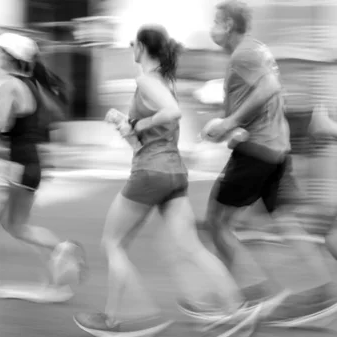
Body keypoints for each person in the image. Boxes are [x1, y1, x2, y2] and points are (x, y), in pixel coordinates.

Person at [73, 24, 284, 337]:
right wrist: (125, 126)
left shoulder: (146, 80)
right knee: (191, 248)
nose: (132, 47)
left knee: (113, 243)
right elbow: (143, 142)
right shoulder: (164, 82)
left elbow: (171, 114)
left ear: (143, 48)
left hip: (151, 173)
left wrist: (137, 122)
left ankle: (121, 319)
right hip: (173, 174)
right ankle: (235, 310)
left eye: (134, 43)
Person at [180, 0, 337, 327]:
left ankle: (242, 300)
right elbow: (271, 100)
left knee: (218, 223)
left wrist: (229, 123)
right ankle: (324, 295)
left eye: (215, 22)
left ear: (227, 24)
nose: (212, 28)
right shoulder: (257, 50)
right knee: (284, 221)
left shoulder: (243, 55)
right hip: (274, 150)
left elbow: (270, 87)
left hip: (256, 153)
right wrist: (234, 127)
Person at [0, 33, 86, 301]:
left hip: (18, 164)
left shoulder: (8, 85)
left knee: (4, 223)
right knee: (14, 225)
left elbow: (0, 125)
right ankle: (59, 259)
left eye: (1, 52)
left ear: (12, 57)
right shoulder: (32, 86)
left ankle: (2, 279)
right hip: (30, 163)